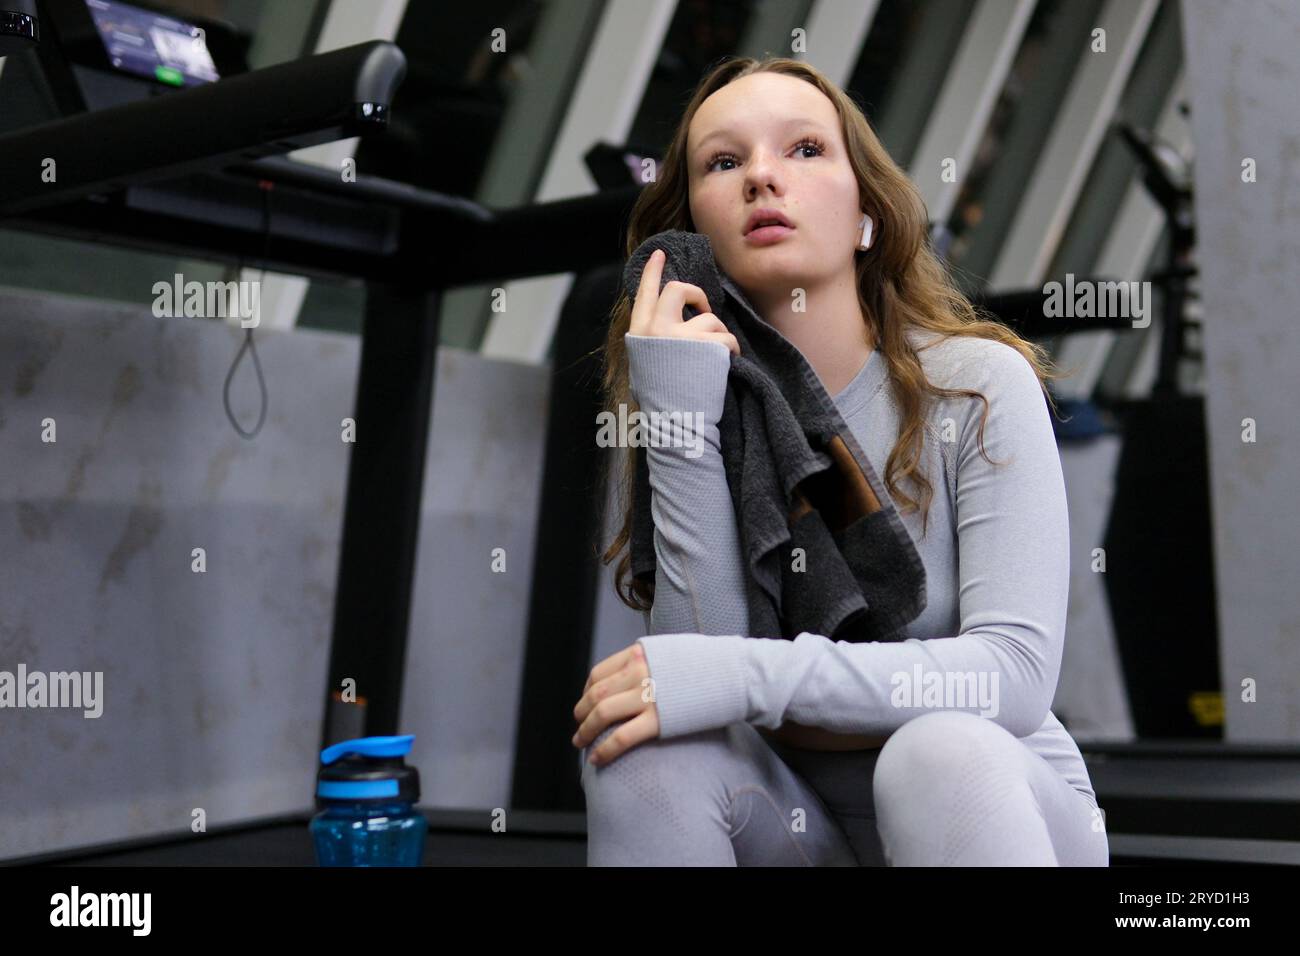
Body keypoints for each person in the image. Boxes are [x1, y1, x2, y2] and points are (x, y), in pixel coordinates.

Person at [572, 55, 1108, 867]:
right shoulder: (685, 400)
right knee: (637, 748)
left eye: (804, 150)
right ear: (690, 241)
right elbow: (697, 685)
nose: (761, 176)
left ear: (868, 213)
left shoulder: (977, 387)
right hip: (802, 831)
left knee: (936, 754)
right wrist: (681, 418)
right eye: (724, 161)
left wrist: (750, 676)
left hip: (992, 806)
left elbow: (1012, 676)